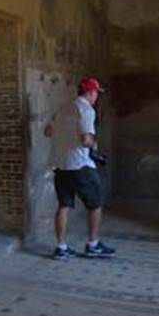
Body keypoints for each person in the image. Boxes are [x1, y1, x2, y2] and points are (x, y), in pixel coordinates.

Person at [44, 77, 116, 260]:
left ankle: (61, 247)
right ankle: (93, 245)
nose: (96, 97)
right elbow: (85, 140)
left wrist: (65, 136)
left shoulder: (63, 108)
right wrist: (94, 143)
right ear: (91, 93)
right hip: (80, 165)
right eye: (96, 93)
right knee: (95, 204)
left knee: (64, 205)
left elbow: (48, 131)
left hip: (61, 165)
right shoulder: (86, 110)